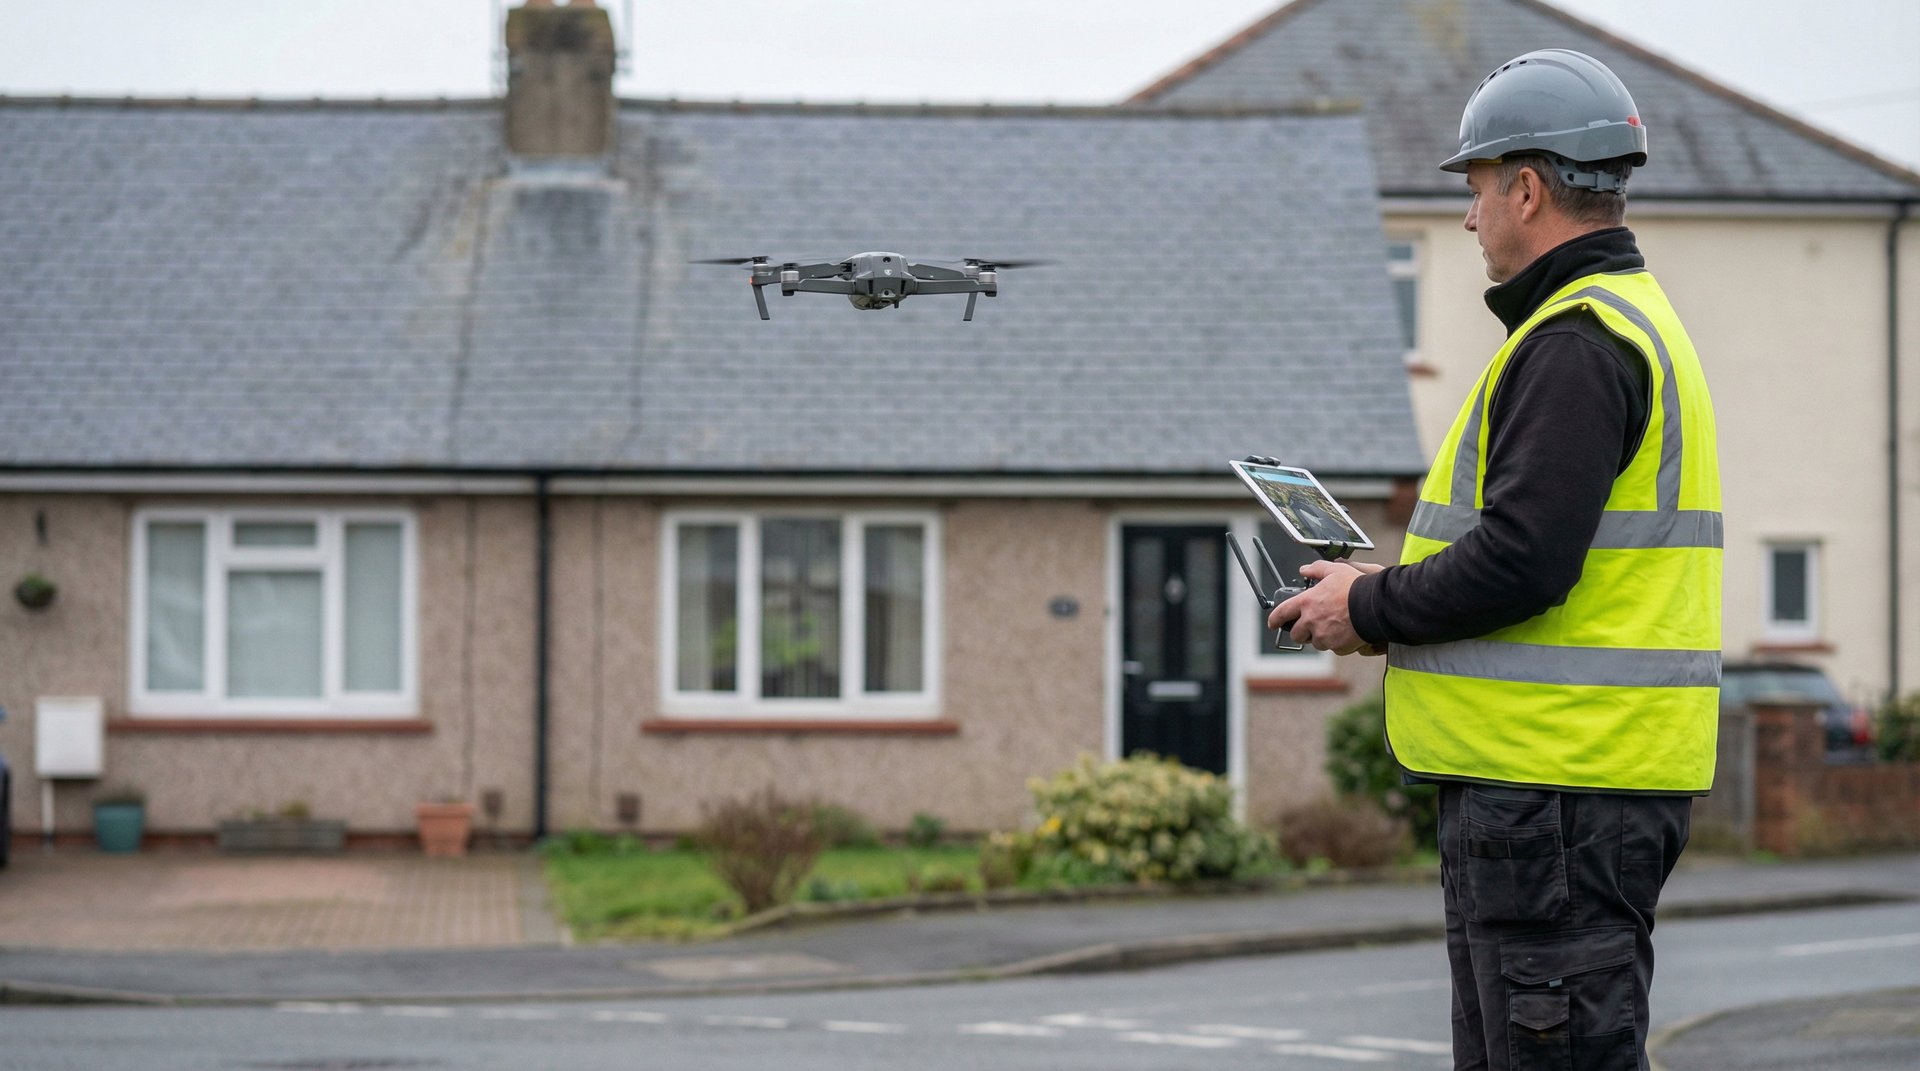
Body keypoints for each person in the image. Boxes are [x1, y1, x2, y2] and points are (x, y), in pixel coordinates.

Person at [1270, 48, 1722, 1070]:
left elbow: (1525, 561)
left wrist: (1370, 605)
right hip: (1570, 789)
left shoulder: (1575, 342)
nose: (1470, 217)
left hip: (1555, 797)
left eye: (1477, 189)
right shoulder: (1617, 325)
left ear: (1527, 187)